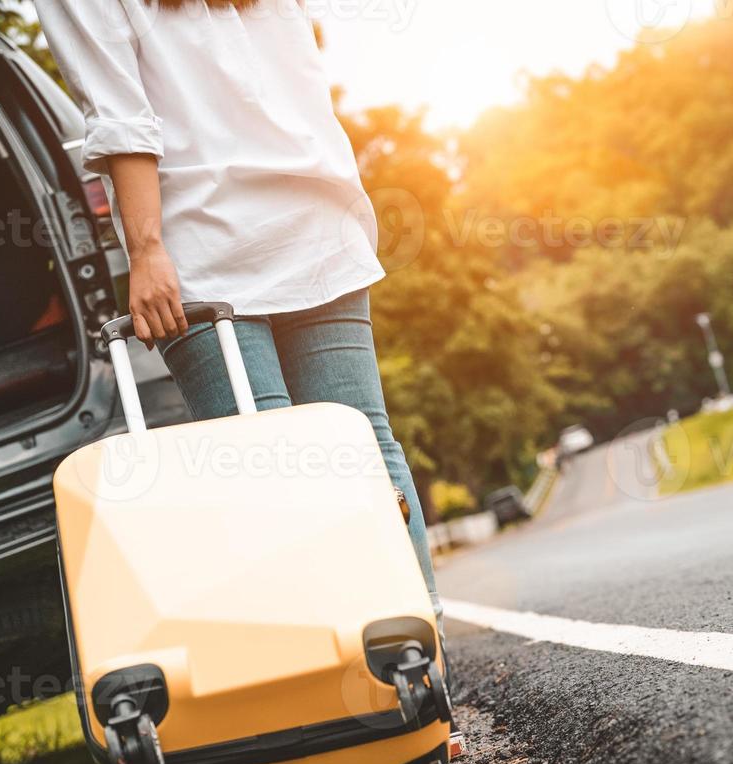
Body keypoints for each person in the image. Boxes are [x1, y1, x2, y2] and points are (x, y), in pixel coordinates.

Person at [35, 0, 441, 621]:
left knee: (270, 478)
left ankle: (341, 681)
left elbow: (123, 121)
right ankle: (421, 676)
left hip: (201, 245)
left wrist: (146, 252)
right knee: (363, 454)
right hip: (315, 217)